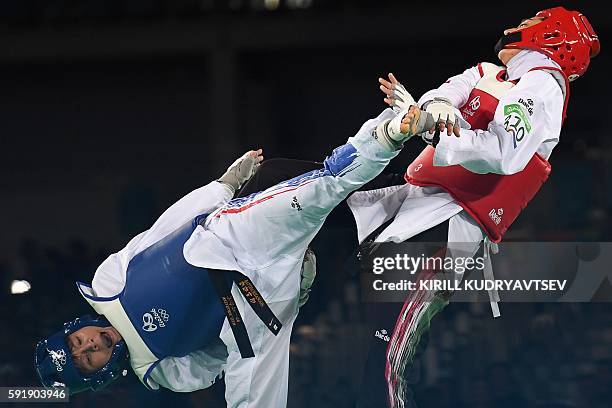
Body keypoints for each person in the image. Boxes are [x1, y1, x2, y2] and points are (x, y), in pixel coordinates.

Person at [35, 100, 440, 407]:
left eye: (76, 343)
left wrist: (221, 187)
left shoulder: (106, 286)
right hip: (257, 308)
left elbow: (164, 228)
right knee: (254, 389)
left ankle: (393, 133)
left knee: (322, 186)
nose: (88, 346)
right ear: (100, 374)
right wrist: (295, 296)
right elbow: (218, 359)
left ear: (74, 328)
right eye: (86, 359)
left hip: (226, 241)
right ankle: (420, 191)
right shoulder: (162, 372)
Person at [345, 6, 600, 407]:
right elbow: (444, 93)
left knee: (386, 355)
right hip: (411, 199)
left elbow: (502, 153)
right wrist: (434, 109)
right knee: (317, 219)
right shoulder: (485, 72)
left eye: (531, 23)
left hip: (452, 224)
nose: (516, 26)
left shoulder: (543, 86)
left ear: (552, 36)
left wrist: (434, 131)